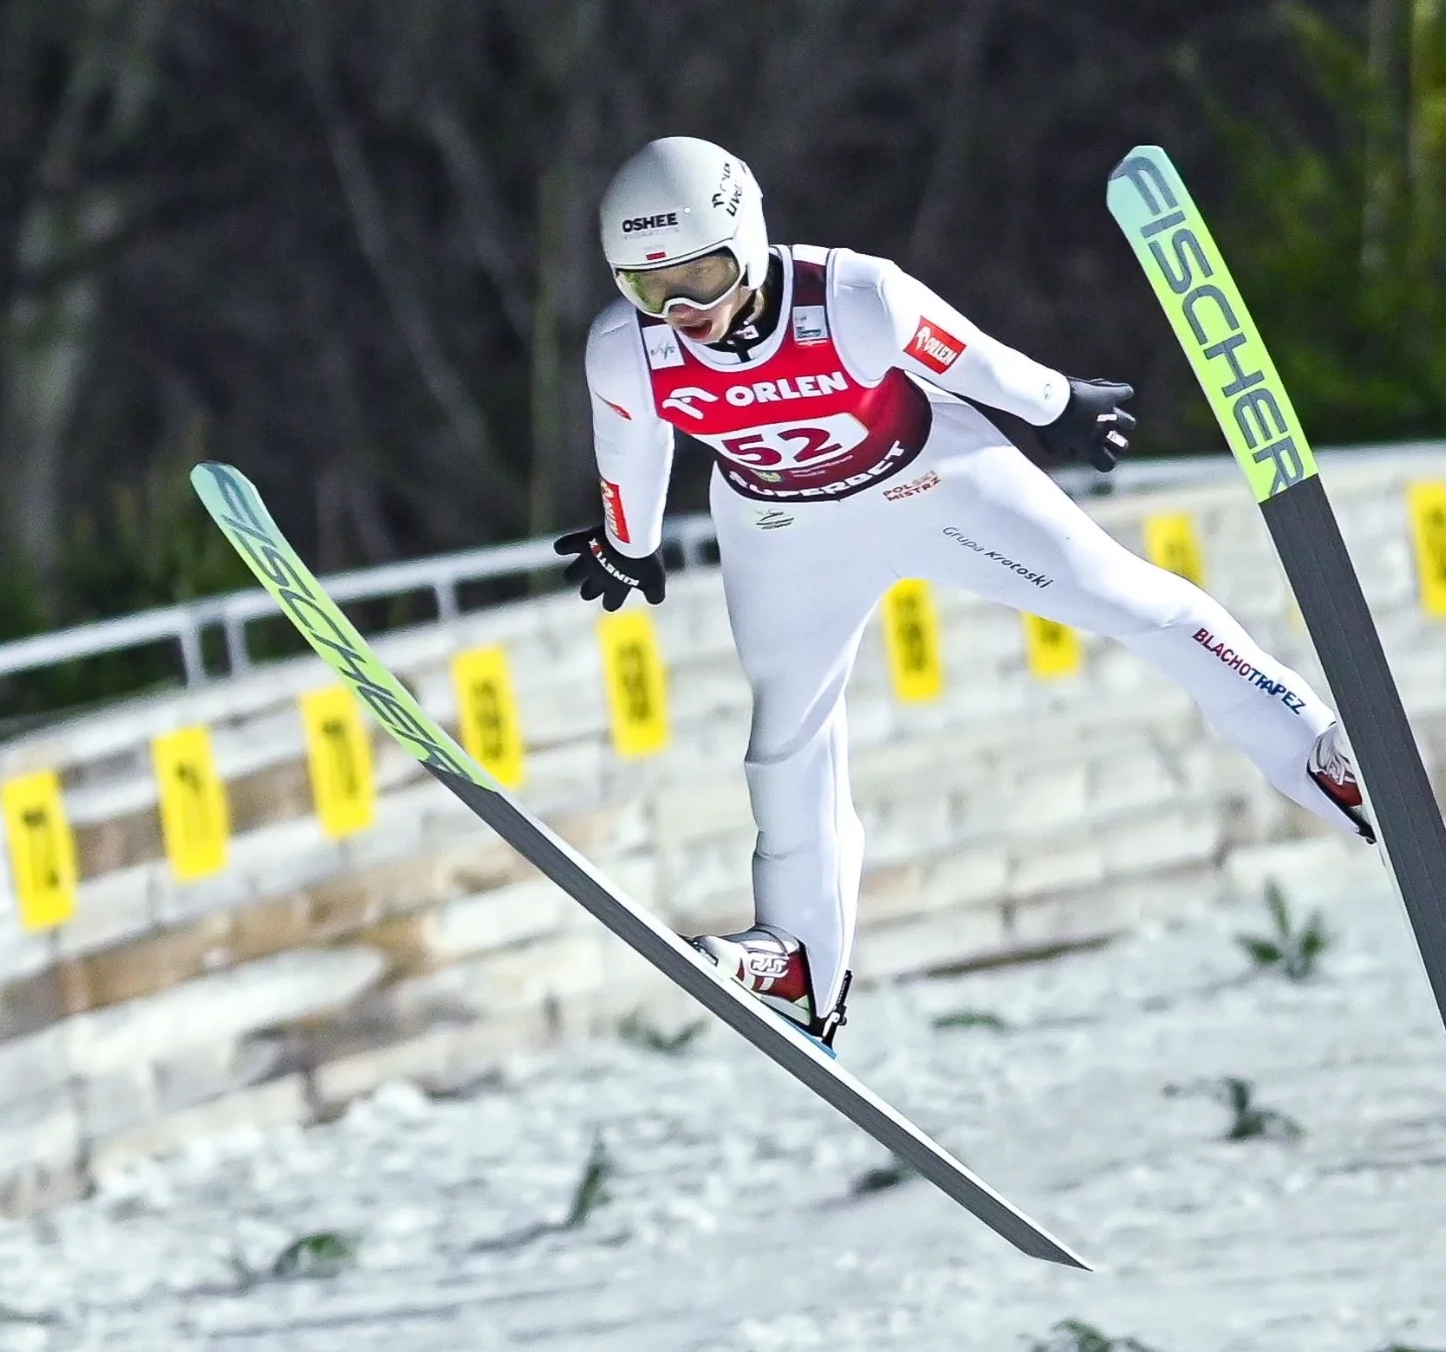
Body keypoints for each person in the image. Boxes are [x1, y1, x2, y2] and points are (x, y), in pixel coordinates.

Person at [555, 136, 1373, 1049]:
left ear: (744, 242)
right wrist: (627, 546)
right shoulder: (626, 352)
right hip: (785, 532)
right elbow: (632, 453)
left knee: (1125, 599)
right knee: (785, 735)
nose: (681, 310)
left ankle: (1320, 753)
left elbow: (968, 359)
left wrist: (1058, 403)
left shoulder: (853, 297)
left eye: (700, 277)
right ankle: (798, 956)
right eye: (647, 287)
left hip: (934, 482)